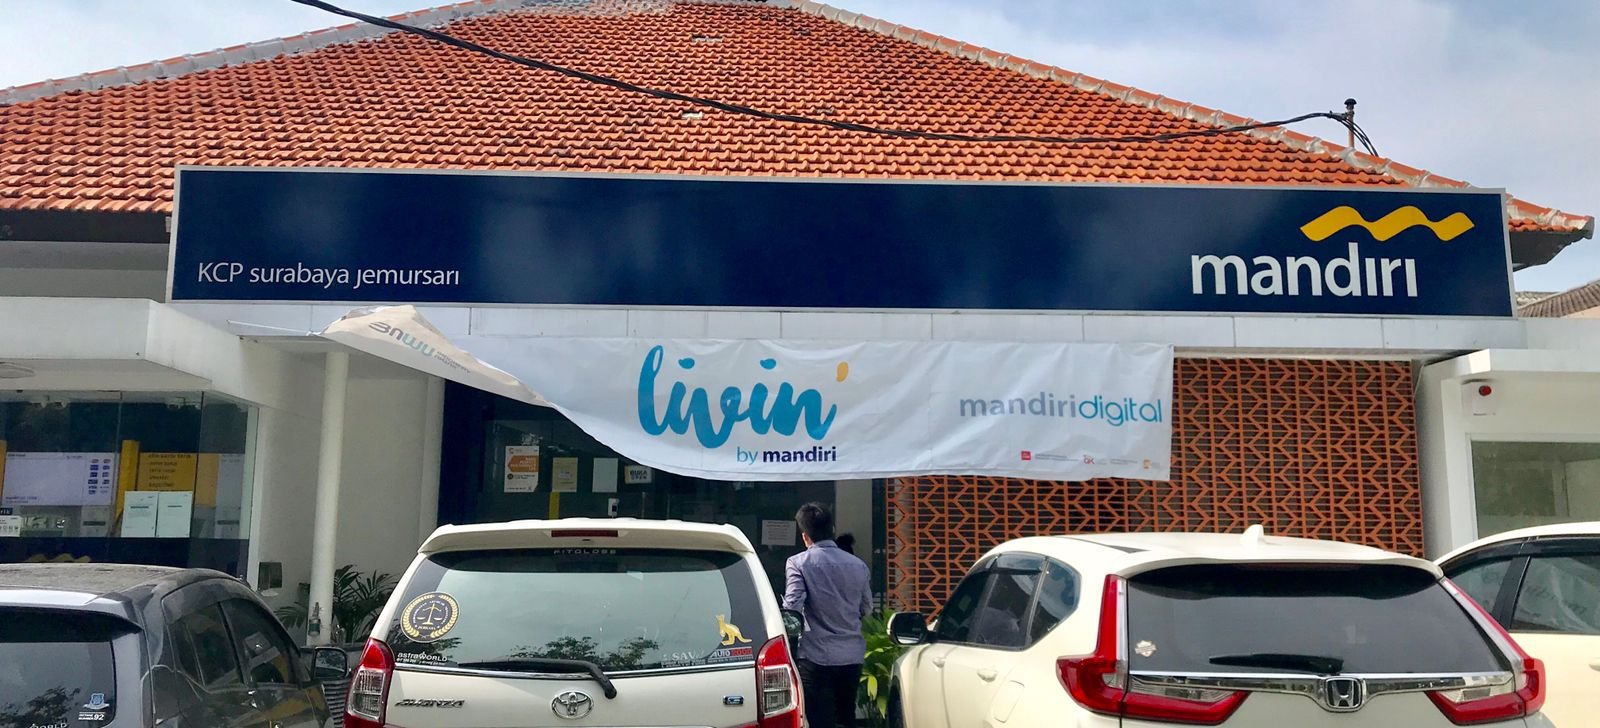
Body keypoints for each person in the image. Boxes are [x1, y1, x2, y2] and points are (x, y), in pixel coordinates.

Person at [783, 503, 871, 728]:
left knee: (819, 720)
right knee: (846, 717)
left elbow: (792, 608)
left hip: (816, 656)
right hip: (851, 655)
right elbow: (866, 608)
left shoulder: (798, 563)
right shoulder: (859, 565)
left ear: (805, 536)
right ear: (832, 529)